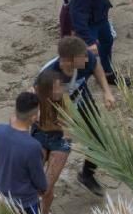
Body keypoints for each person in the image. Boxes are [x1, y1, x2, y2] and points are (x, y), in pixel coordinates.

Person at [39, 36, 116, 196]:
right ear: (68, 61)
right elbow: (45, 110)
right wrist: (65, 127)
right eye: (83, 57)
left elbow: (96, 67)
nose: (87, 58)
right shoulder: (49, 75)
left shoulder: (85, 58)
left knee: (99, 137)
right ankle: (35, 181)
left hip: (81, 101)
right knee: (47, 148)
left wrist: (107, 92)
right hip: (55, 109)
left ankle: (87, 175)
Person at [30, 71, 68, 214]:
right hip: (39, 135)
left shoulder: (67, 101)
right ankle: (31, 209)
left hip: (60, 141)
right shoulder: (35, 96)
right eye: (56, 88)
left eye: (60, 87)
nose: (60, 91)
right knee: (34, 181)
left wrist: (59, 123)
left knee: (46, 186)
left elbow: (70, 132)